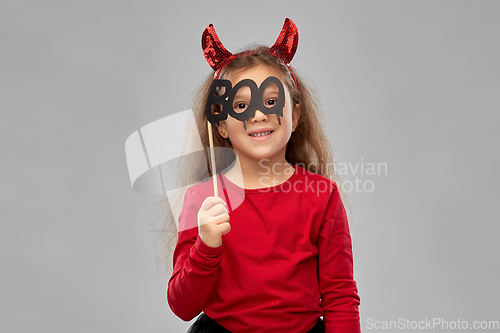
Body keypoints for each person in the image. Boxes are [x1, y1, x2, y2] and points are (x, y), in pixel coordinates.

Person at [164, 19, 360, 333]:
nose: (257, 114)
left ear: (294, 116)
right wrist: (206, 246)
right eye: (240, 104)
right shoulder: (202, 199)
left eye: (271, 101)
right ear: (222, 125)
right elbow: (182, 306)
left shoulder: (322, 196)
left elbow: (340, 296)